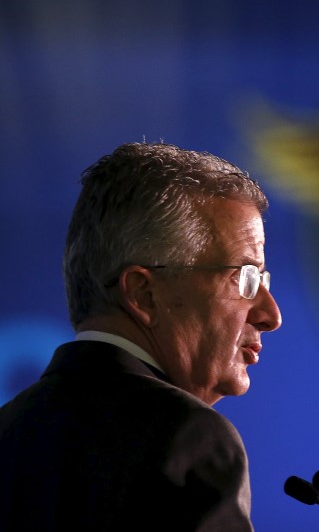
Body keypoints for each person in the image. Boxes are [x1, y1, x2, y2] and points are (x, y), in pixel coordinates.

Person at [0, 142, 282, 531]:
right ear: (145, 295)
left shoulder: (9, 432)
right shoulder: (187, 439)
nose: (272, 315)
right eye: (246, 278)